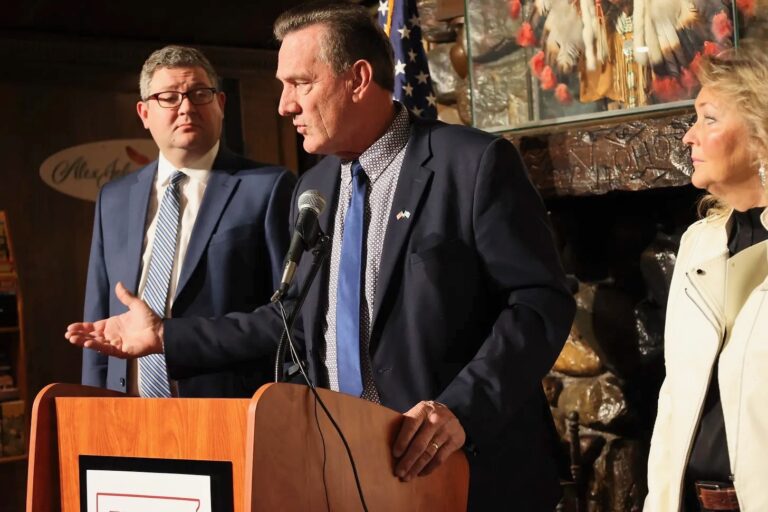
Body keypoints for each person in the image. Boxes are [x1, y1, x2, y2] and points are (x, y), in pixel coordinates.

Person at [68, 4, 575, 509]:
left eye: (299, 84)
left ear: (356, 78)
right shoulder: (316, 187)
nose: (284, 105)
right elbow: (285, 322)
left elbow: (539, 301)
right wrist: (164, 337)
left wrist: (461, 409)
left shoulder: (472, 163)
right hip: (344, 471)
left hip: (465, 472)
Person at [80, 45, 295, 398]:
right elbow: (99, 321)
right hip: (127, 415)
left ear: (221, 105)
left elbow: (287, 317)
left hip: (225, 410)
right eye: (169, 97)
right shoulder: (114, 199)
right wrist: (92, 410)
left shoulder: (269, 188)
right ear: (144, 112)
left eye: (199, 94)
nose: (186, 107)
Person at [644, 42, 768, 512]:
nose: (688, 137)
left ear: (761, 134)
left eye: (709, 119)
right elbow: (674, 397)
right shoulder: (700, 241)